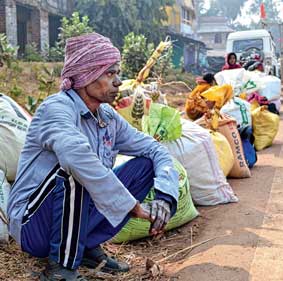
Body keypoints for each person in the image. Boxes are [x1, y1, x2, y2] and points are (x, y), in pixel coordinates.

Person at [7, 33, 179, 281]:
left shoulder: (107, 117)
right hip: (33, 225)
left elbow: (156, 149)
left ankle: (84, 247)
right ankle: (61, 269)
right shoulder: (56, 109)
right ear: (86, 75)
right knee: (75, 169)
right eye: (110, 73)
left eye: (117, 73)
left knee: (145, 164)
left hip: (74, 218)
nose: (118, 82)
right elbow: (76, 157)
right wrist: (133, 207)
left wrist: (165, 197)